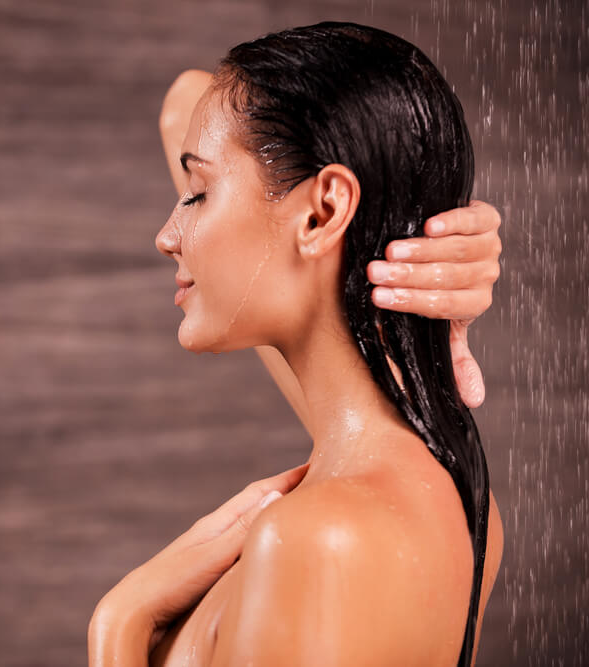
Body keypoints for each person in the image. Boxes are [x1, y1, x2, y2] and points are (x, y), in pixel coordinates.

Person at [88, 23, 504, 667]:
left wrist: (121, 624)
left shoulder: (318, 539)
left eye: (197, 193)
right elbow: (188, 102)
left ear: (320, 213)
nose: (167, 235)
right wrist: (410, 201)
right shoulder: (448, 485)